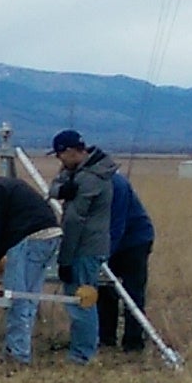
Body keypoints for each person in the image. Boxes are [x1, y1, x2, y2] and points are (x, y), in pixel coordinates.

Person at [0, 172, 60, 365]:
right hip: (49, 237)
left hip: (30, 240)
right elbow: (3, 233)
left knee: (16, 299)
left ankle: (17, 355)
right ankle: (20, 349)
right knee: (28, 298)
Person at [48, 130, 120, 365]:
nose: (59, 160)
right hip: (88, 247)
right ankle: (83, 349)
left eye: (60, 154)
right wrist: (62, 189)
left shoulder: (90, 179)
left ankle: (81, 355)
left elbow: (74, 221)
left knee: (82, 301)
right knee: (82, 300)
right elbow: (53, 188)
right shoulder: (79, 172)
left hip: (84, 248)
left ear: (71, 151)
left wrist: (65, 260)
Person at [105, 166, 157, 354]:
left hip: (135, 242)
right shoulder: (85, 180)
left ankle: (133, 343)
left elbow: (117, 225)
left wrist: (104, 255)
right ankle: (106, 339)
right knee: (105, 289)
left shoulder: (116, 184)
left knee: (133, 293)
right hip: (110, 242)